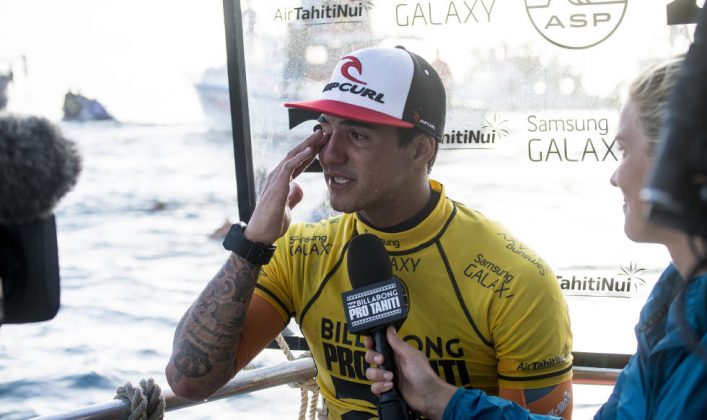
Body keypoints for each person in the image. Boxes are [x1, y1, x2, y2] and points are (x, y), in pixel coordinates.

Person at [166, 46, 574, 419]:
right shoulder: (301, 251)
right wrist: (252, 243)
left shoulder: (515, 281)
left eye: (358, 134)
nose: (329, 153)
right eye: (325, 128)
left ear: (420, 149)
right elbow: (190, 381)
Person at [365, 54, 707, 419]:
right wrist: (441, 399)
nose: (615, 176)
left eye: (623, 150)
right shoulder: (676, 292)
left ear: (682, 159)